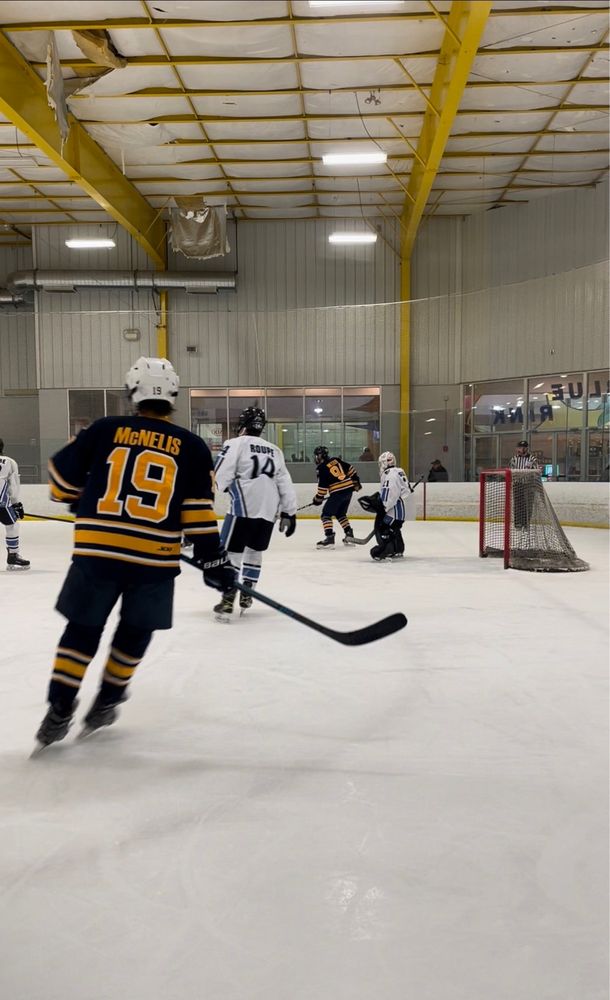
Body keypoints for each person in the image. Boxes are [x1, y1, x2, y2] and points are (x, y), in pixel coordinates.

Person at [35, 357, 236, 748]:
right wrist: (215, 561)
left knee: (82, 630)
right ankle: (106, 702)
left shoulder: (104, 429)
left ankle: (59, 708)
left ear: (133, 391)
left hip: (97, 551)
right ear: (173, 395)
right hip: (154, 560)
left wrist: (79, 497)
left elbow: (60, 483)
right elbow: (196, 513)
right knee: (135, 632)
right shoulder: (192, 446)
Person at [213, 406, 297, 619]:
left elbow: (220, 475)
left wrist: (218, 487)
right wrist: (289, 512)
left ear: (243, 425)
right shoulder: (274, 449)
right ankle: (248, 591)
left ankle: (228, 595)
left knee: (230, 552)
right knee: (254, 551)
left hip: (243, 506)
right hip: (269, 510)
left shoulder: (235, 443)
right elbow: (284, 482)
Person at [360, 452, 411, 561]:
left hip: (395, 510)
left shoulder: (389, 474)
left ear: (384, 463)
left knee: (382, 527)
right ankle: (398, 549)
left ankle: (385, 551)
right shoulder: (399, 471)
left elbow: (390, 493)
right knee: (394, 528)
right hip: (402, 510)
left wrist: (384, 507)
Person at [312, 445, 361, 548]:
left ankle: (329, 538)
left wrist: (318, 499)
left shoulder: (321, 468)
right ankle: (349, 535)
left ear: (320, 456)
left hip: (337, 493)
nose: (316, 458)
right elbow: (350, 468)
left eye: (317, 455)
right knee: (340, 514)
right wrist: (355, 481)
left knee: (325, 515)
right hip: (348, 491)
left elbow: (322, 487)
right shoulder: (336, 460)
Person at [0, 438, 29, 570]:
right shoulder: (9, 462)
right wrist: (16, 504)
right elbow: (13, 486)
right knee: (12, 525)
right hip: (2, 504)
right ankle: (13, 555)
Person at [509, 439, 541, 531]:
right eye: (520, 447)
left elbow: (536, 471)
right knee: (518, 504)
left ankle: (526, 524)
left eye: (524, 447)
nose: (522, 449)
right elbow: (511, 471)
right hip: (517, 484)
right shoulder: (514, 459)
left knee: (527, 505)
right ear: (517, 449)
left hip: (528, 485)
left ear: (527, 448)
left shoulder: (532, 459)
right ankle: (518, 524)